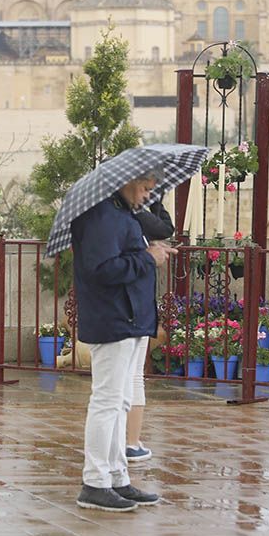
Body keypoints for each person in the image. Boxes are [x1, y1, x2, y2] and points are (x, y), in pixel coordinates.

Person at [71, 169, 175, 512]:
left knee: (120, 402)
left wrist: (147, 252)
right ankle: (96, 481)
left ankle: (117, 476)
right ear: (128, 181)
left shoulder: (119, 212)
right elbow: (101, 269)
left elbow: (120, 258)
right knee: (107, 401)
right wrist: (146, 257)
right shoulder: (102, 214)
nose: (148, 196)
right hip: (113, 318)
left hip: (128, 318)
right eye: (145, 188)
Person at [125, 191, 175, 463]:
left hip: (129, 307)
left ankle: (127, 443)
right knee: (130, 378)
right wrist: (150, 257)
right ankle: (130, 443)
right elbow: (163, 227)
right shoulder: (128, 215)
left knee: (122, 380)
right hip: (131, 308)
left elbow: (164, 228)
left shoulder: (115, 215)